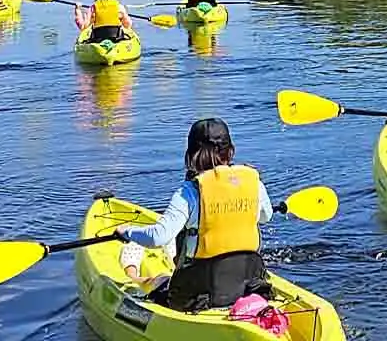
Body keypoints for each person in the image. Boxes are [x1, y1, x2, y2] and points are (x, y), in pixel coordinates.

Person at [116, 118, 275, 311]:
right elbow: (266, 216)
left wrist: (128, 232)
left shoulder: (189, 192)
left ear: (191, 154)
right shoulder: (254, 184)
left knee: (159, 280)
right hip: (247, 286)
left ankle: (133, 274)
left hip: (198, 295)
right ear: (229, 150)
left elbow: (159, 237)